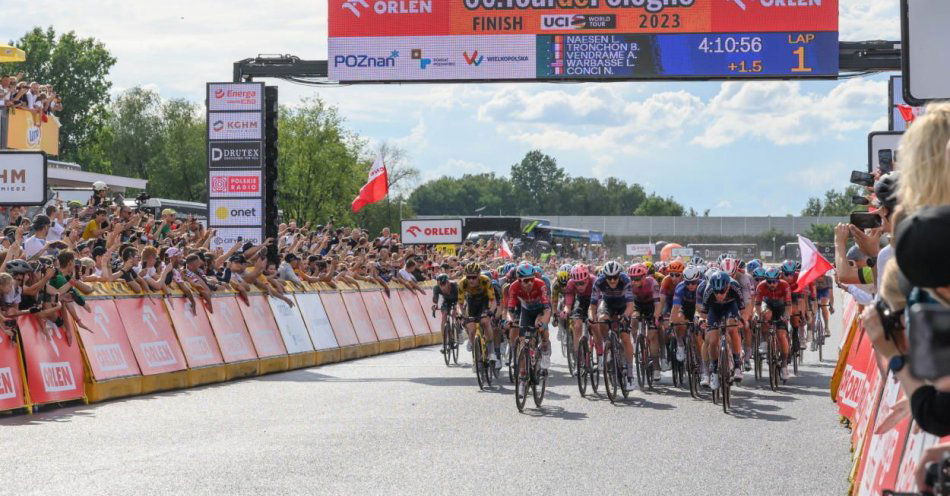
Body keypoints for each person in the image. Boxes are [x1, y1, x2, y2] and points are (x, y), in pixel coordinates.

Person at [589, 260, 635, 388]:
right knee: (602, 318)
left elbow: (631, 305)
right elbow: (593, 305)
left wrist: (625, 316)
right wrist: (592, 317)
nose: (613, 280)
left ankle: (630, 374)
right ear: (605, 276)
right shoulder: (599, 281)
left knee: (625, 337)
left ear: (619, 275)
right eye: (609, 278)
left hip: (623, 305)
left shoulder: (625, 280)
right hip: (607, 303)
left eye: (615, 277)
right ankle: (607, 344)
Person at [699, 270, 746, 388]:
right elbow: (703, 314)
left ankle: (737, 365)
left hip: (731, 307)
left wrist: (742, 320)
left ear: (728, 286)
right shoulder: (709, 290)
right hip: (714, 310)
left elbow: (742, 309)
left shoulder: (735, 286)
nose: (719, 294)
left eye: (722, 291)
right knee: (713, 340)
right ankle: (714, 371)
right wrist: (701, 321)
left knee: (732, 328)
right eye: (717, 292)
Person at [506, 262, 552, 370]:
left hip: (540, 310)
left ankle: (545, 350)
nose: (530, 283)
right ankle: (523, 375)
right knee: (523, 342)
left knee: (541, 328)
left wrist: (544, 323)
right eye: (526, 281)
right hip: (526, 311)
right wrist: (509, 320)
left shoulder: (540, 284)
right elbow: (510, 310)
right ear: (519, 280)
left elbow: (547, 309)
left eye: (532, 279)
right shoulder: (514, 287)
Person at [457, 262, 498, 369]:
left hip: (484, 301)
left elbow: (493, 301)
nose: (471, 280)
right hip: (471, 302)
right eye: (469, 277)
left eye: (474, 277)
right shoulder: (462, 283)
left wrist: (490, 312)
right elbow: (460, 304)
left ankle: (492, 352)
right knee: (471, 329)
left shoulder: (486, 281)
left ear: (479, 275)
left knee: (485, 321)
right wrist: (461, 314)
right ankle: (476, 356)